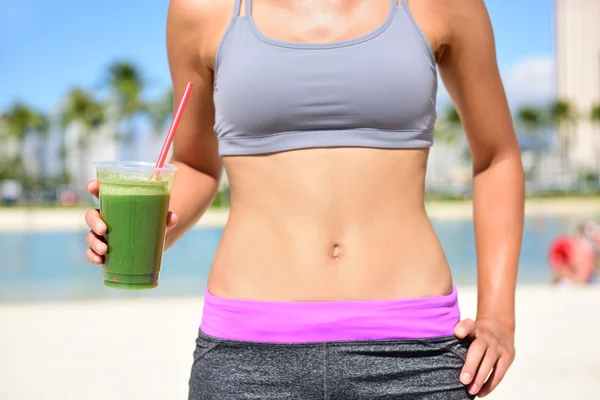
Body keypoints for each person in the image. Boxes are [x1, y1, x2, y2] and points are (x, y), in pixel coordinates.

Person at [84, 0, 524, 398]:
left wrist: (498, 318)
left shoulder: (442, 5)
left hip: (413, 351)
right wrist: (149, 228)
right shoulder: (202, 9)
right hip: (246, 356)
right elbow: (196, 164)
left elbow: (496, 157)